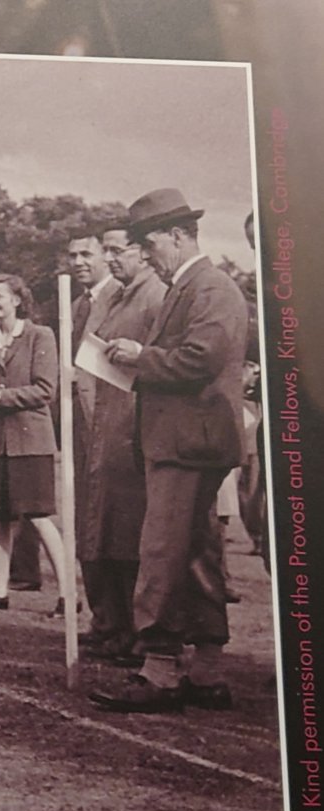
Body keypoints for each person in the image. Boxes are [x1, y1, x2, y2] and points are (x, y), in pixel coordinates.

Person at [90, 189, 247, 713]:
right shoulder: (193, 286)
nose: (147, 253)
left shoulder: (210, 287)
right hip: (189, 439)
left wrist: (140, 357)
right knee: (198, 554)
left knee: (161, 553)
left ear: (178, 237)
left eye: (150, 242)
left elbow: (201, 358)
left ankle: (159, 671)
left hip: (188, 442)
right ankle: (205, 671)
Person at [78, 226, 166, 665]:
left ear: (142, 253)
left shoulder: (156, 296)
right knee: (104, 529)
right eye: (106, 251)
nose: (110, 258)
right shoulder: (116, 296)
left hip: (134, 428)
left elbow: (158, 357)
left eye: (117, 251)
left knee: (130, 532)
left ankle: (137, 633)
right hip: (105, 426)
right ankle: (112, 624)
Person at [0, 271, 71, 613]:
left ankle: (67, 594)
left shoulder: (39, 336)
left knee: (39, 517)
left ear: (16, 299)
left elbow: (45, 390)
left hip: (31, 441)